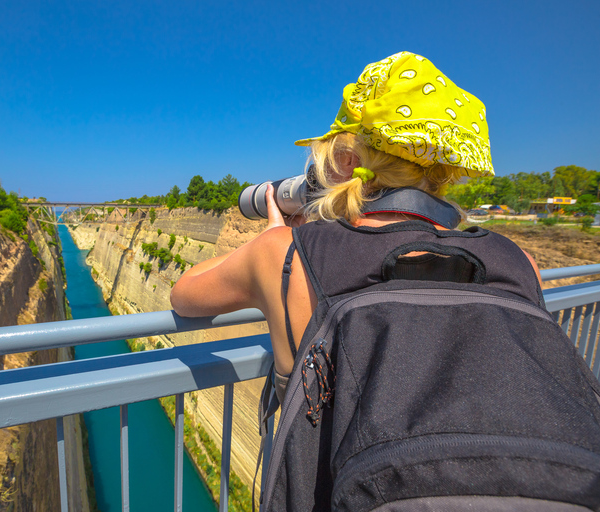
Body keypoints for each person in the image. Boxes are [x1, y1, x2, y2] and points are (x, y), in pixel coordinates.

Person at [170, 51, 542, 396]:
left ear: (348, 161)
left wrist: (274, 240)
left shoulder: (286, 255)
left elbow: (184, 294)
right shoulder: (519, 263)